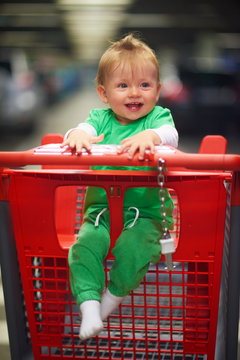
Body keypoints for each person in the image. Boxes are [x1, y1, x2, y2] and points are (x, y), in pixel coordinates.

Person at [62, 33, 178, 340]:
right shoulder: (99, 118)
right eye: (122, 85)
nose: (133, 93)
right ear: (103, 92)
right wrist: (77, 135)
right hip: (100, 211)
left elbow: (170, 135)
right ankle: (87, 305)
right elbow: (82, 129)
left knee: (134, 249)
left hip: (147, 213)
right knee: (84, 247)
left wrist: (151, 137)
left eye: (144, 84)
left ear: (157, 90)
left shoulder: (158, 117)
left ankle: (108, 302)